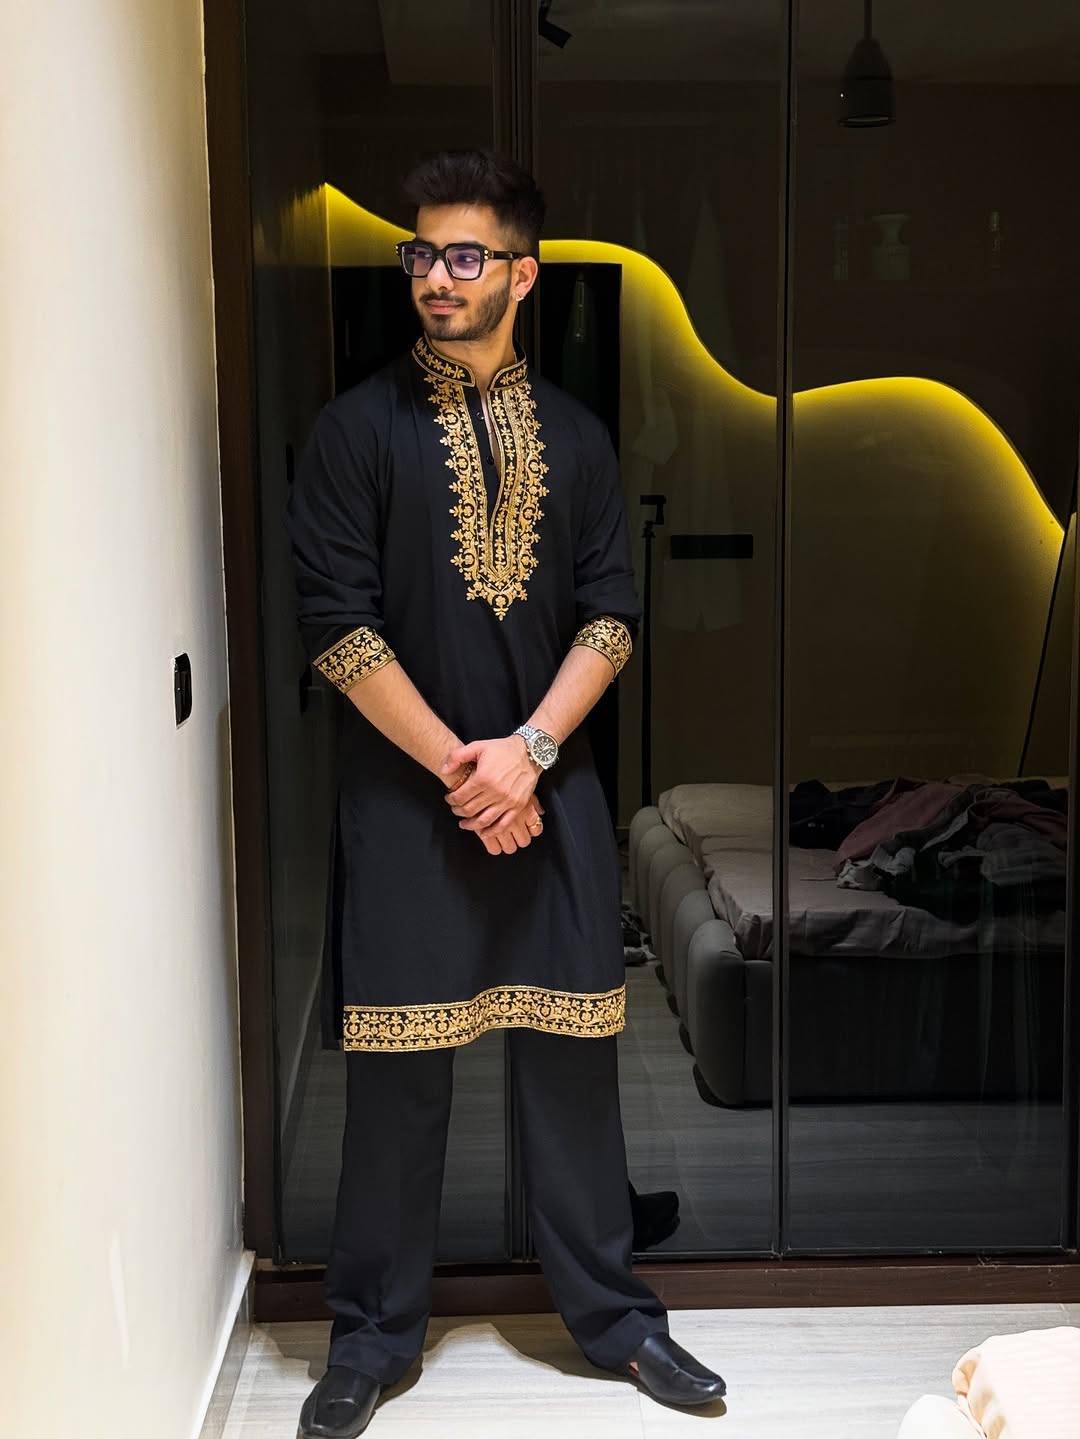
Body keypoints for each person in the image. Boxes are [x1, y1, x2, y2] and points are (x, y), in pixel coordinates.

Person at [286, 149, 726, 1439]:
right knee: (398, 1087)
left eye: (464, 255)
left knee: (575, 1069)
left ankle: (617, 1320)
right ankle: (370, 1339)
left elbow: (612, 617)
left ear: (522, 277)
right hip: (406, 806)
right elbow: (338, 629)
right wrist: (464, 771)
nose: (436, 275)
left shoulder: (578, 438)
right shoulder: (354, 431)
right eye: (421, 253)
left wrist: (526, 755)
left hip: (552, 797)